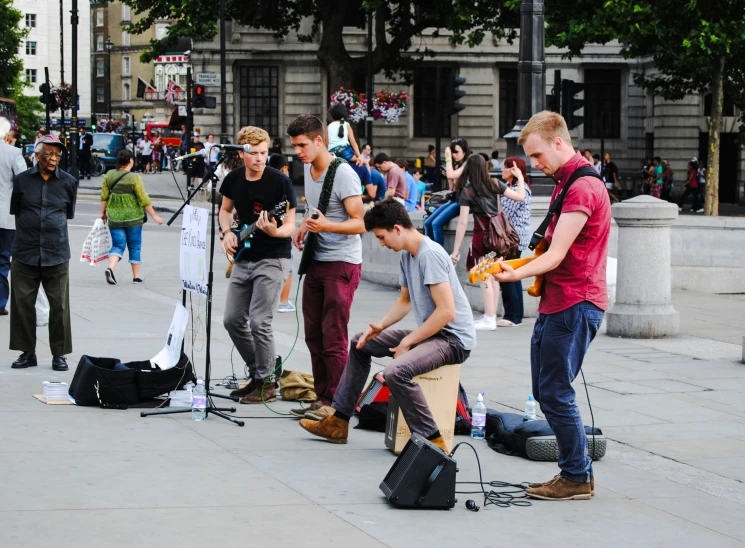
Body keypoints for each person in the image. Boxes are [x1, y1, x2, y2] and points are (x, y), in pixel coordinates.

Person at [493, 111, 611, 501]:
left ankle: (576, 476)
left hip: (576, 301)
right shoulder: (566, 181)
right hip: (558, 300)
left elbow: (556, 254)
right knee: (546, 392)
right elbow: (545, 249)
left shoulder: (582, 187)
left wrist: (513, 275)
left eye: (538, 155)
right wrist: (508, 264)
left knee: (556, 392)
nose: (535, 165)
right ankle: (576, 473)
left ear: (559, 142)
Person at [299, 198, 476, 448]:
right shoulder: (408, 256)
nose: (382, 244)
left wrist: (408, 341)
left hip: (454, 340)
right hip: (434, 334)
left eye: (382, 237)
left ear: (397, 228)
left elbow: (446, 312)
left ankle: (434, 443)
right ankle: (338, 422)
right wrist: (380, 327)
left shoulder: (430, 255)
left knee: (396, 372)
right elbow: (405, 301)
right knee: (360, 342)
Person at [288, 113, 365, 420]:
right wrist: (305, 226)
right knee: (313, 334)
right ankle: (321, 399)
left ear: (319, 140)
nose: (298, 152)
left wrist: (327, 226)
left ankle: (336, 405)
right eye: (294, 146)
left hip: (342, 262)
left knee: (334, 336)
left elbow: (360, 223)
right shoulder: (309, 168)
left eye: (302, 145)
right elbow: (316, 209)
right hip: (317, 259)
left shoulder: (344, 173)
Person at [219, 127, 297, 404]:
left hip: (273, 257)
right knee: (231, 319)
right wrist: (227, 233)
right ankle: (259, 375)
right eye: (254, 154)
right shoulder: (233, 179)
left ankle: (267, 385)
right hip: (244, 256)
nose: (260, 159)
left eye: (264, 153)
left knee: (260, 321)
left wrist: (275, 231)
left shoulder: (280, 182)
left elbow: (289, 224)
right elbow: (225, 210)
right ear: (242, 154)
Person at [9, 135, 78, 371]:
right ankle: (27, 352)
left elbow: (68, 213)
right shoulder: (21, 181)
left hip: (57, 251)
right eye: (49, 153)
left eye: (58, 154)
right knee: (22, 305)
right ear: (37, 155)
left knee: (59, 305)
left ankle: (59, 354)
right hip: (24, 251)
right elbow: (17, 213)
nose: (54, 158)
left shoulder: (68, 181)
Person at [450, 154, 525, 331]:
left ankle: (489, 318)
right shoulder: (495, 184)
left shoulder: (467, 191)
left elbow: (462, 223)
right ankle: (490, 316)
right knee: (491, 275)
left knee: (484, 276)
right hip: (498, 239)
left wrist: (456, 250)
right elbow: (520, 197)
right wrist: (520, 178)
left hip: (482, 240)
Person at [100, 150, 164, 285]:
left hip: (115, 216)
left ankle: (110, 268)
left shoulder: (109, 175)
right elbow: (143, 199)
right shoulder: (134, 177)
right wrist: (155, 216)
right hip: (134, 217)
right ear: (130, 161)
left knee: (118, 245)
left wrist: (103, 213)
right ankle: (136, 277)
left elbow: (104, 197)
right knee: (134, 245)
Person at [497, 156, 533, 327]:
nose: (501, 170)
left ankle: (512, 316)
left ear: (514, 170)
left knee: (507, 275)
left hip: (512, 238)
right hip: (515, 237)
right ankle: (515, 315)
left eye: (505, 167)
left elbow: (504, 213)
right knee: (514, 276)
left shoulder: (520, 189)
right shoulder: (517, 187)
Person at [423, 138, 471, 246]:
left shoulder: (468, 163)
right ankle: (429, 251)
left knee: (436, 224)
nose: (454, 155)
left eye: (456, 152)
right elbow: (453, 188)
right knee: (427, 223)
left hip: (463, 201)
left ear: (464, 151)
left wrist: (448, 160)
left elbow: (452, 175)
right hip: (455, 198)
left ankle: (438, 256)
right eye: (452, 152)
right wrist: (449, 177)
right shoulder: (458, 164)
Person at [0, 139, 28, 316]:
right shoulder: (12, 153)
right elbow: (24, 181)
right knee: (3, 260)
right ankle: (0, 302)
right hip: (5, 217)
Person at [268, 153, 296, 314]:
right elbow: (286, 212)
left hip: (266, 232)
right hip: (281, 233)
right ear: (284, 168)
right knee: (289, 268)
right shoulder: (285, 182)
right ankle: (283, 302)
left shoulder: (265, 181)